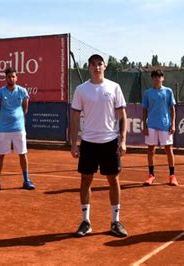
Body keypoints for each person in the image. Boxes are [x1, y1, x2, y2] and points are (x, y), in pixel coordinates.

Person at [70, 54, 128, 238]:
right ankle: (86, 221)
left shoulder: (114, 87)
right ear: (88, 67)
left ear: (105, 66)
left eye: (99, 64)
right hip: (88, 142)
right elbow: (74, 118)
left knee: (113, 180)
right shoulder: (81, 90)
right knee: (85, 181)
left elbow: (122, 116)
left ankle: (115, 221)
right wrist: (74, 143)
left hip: (110, 142)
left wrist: (123, 140)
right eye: (93, 64)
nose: (97, 67)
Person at [0, 67, 35, 192]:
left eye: (13, 76)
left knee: (22, 154)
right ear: (6, 78)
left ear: (17, 77)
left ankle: (26, 180)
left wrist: (18, 119)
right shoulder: (0, 93)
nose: (11, 78)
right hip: (4, 129)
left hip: (19, 129)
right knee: (0, 155)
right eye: (9, 77)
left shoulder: (22, 91)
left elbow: (25, 109)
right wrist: (6, 120)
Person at [141, 70, 178, 186]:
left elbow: (172, 109)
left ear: (163, 78)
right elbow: (144, 109)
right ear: (152, 79)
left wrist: (173, 124)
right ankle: (151, 175)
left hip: (165, 125)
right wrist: (144, 125)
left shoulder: (168, 91)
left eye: (159, 76)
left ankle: (172, 176)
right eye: (155, 76)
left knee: (168, 150)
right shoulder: (148, 93)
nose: (157, 78)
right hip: (151, 124)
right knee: (151, 150)